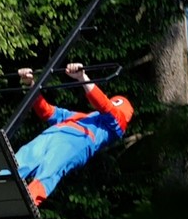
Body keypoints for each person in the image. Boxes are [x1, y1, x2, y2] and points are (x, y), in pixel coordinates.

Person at [13, 62, 134, 207]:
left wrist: (82, 77)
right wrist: (30, 84)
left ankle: (27, 202)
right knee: (23, 158)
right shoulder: (80, 117)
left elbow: (104, 105)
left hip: (78, 141)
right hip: (52, 134)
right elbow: (47, 111)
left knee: (51, 169)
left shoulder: (115, 127)